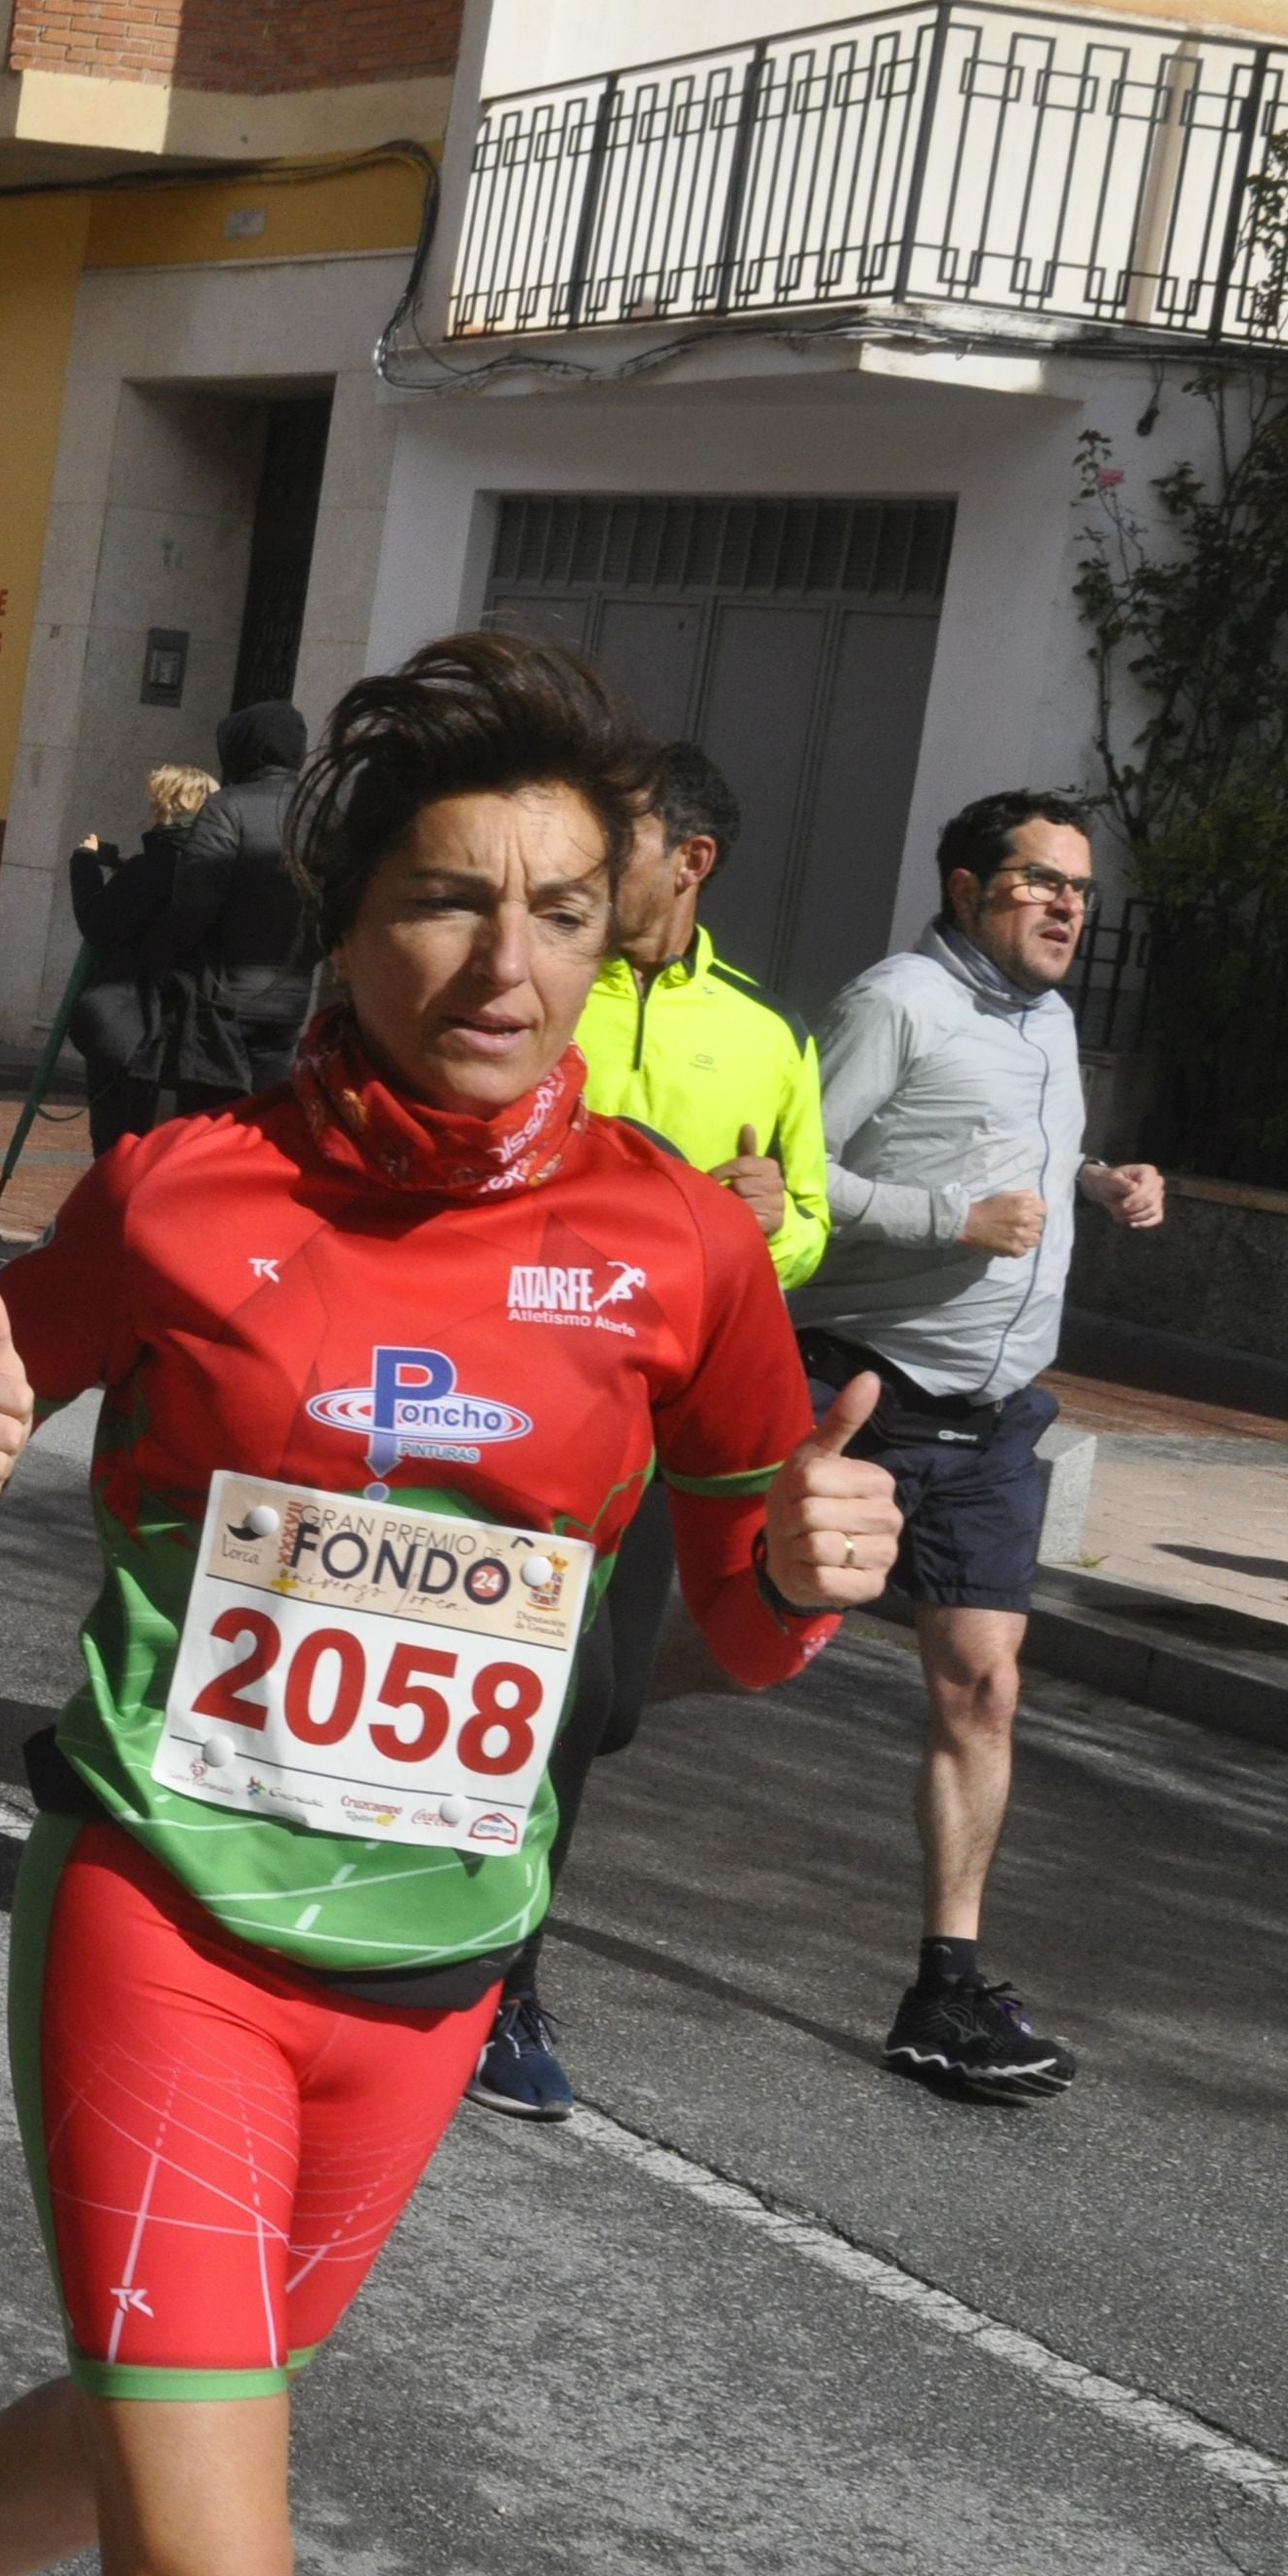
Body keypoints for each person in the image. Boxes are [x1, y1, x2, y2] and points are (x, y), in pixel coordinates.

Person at [0, 630, 904, 2576]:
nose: (502, 964)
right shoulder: (188, 1191)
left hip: (434, 1951)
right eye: (445, 901)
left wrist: (805, 1570)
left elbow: (740, 1601)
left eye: (557, 908)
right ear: (350, 919)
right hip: (163, 1908)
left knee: (180, 2419)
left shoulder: (678, 1244)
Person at [464, 737, 835, 2124]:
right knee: (546, 1710)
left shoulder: (765, 1032)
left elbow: (807, 1224)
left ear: (688, 863)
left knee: (609, 1709)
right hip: (496, 1401)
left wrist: (767, 1227)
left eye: (610, 841)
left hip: (654, 1430)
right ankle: (502, 1983)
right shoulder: (531, 982)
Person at [796, 788, 1163, 2102]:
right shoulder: (897, 1000)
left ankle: (945, 1990)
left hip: (997, 1420)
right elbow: (794, 1174)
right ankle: (522, 1826)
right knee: (718, 1649)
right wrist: (953, 1216)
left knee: (983, 1690)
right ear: (965, 888)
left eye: (1081, 888)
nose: (1070, 905)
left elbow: (1013, 1143)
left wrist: (1096, 1180)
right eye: (1041, 881)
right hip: (862, 1393)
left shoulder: (1053, 1021)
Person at [61, 698, 316, 1155]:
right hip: (290, 999)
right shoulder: (318, 812)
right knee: (266, 1124)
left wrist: (166, 953)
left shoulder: (229, 809)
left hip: (224, 1002)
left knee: (206, 1126)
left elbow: (194, 906)